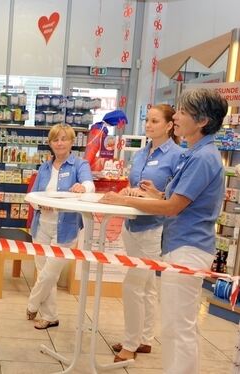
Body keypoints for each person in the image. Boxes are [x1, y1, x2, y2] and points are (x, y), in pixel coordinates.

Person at [100, 88, 227, 373]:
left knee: (176, 327)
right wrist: (155, 194)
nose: (176, 117)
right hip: (181, 245)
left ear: (203, 120)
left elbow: (173, 208)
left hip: (188, 248)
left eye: (183, 112)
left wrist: (124, 199)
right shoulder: (196, 153)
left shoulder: (201, 157)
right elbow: (175, 201)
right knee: (180, 324)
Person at [111, 104, 183, 362]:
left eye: (154, 120)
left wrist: (153, 194)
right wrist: (129, 192)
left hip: (154, 228)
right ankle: (145, 338)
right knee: (148, 285)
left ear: (169, 125)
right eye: (147, 120)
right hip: (132, 224)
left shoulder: (177, 156)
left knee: (133, 285)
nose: (148, 125)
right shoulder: (141, 153)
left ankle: (130, 345)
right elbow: (133, 186)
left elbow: (175, 197)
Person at [26, 124, 95, 329]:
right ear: (50, 144)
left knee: (50, 272)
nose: (60, 143)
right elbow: (32, 197)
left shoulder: (79, 165)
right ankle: (50, 316)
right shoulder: (44, 168)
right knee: (45, 272)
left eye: (64, 139)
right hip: (42, 226)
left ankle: (32, 304)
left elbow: (90, 186)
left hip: (66, 227)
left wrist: (83, 187)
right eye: (56, 139)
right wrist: (40, 203)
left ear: (72, 142)